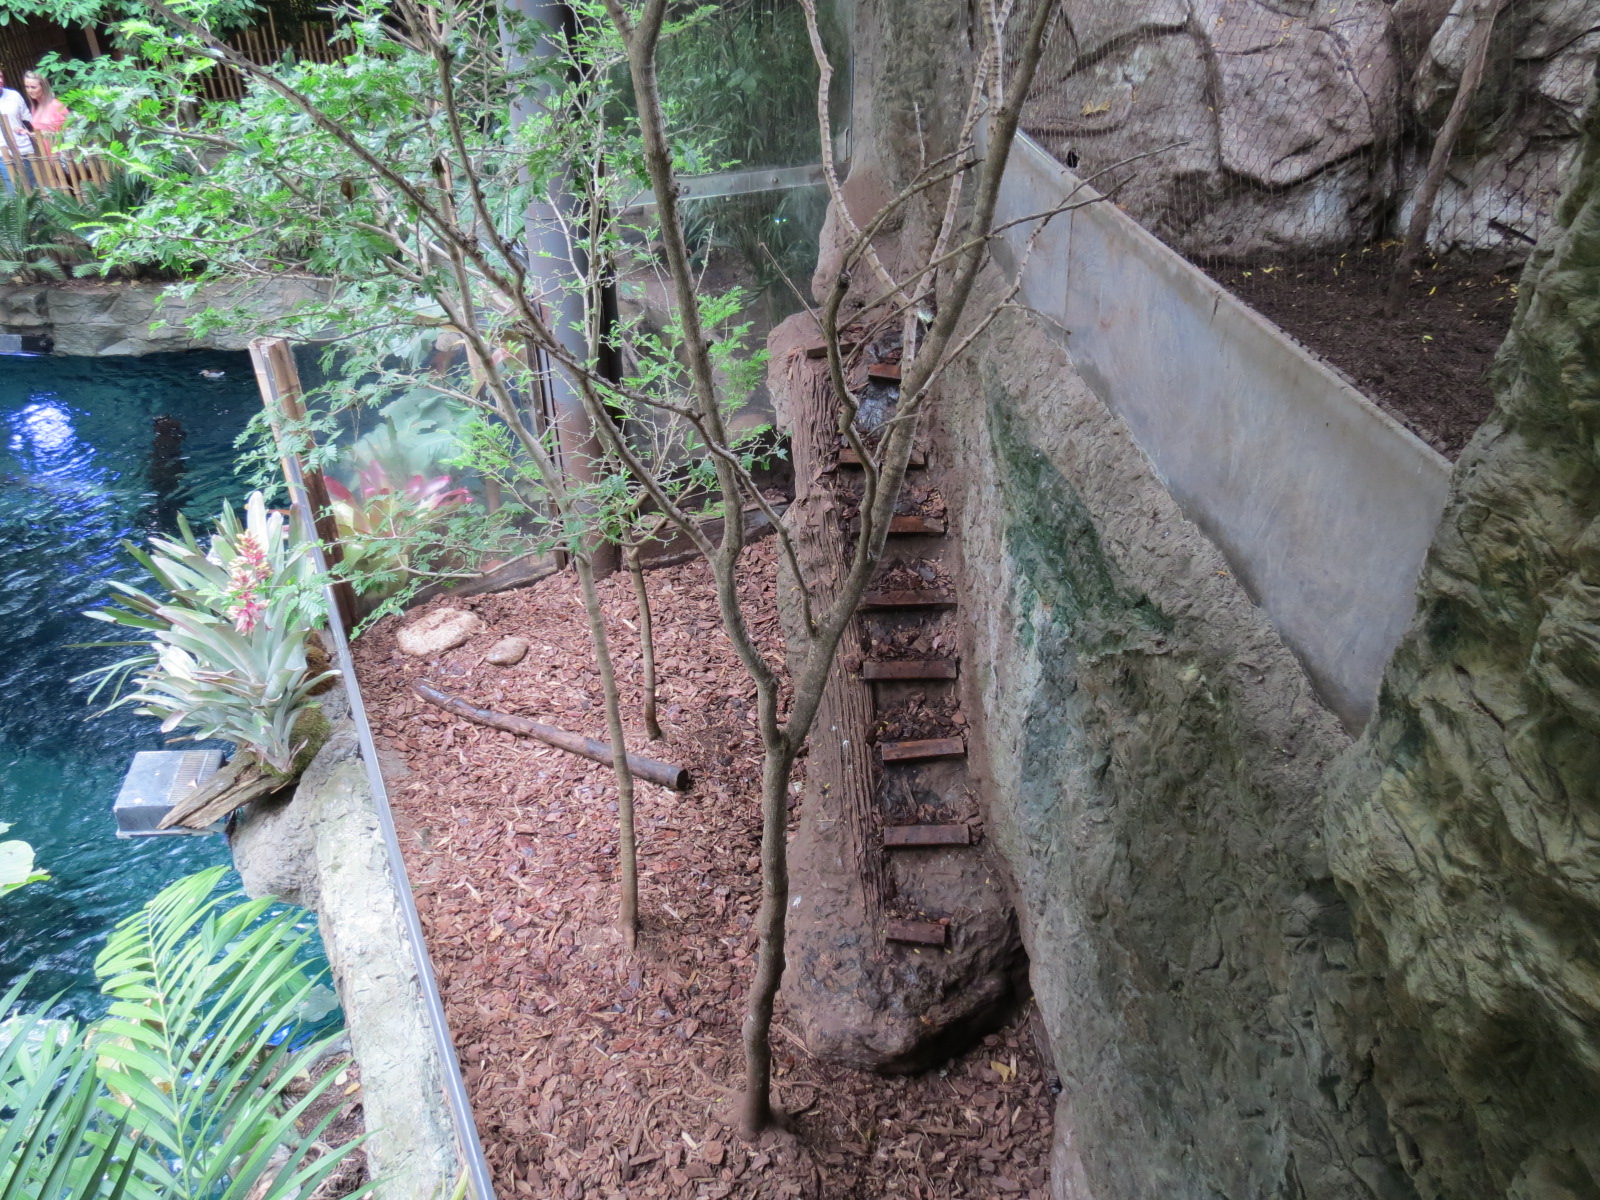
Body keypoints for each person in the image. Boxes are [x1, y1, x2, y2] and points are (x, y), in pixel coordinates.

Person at [0, 67, 34, 195]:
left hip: (23, 150)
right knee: (14, 193)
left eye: (1, 76)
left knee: (32, 189)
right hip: (2, 155)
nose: (0, 80)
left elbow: (27, 119)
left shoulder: (14, 95)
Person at [23, 71, 68, 157]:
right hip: (48, 155)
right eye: (27, 87)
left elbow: (69, 131)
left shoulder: (56, 105)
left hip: (61, 155)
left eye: (33, 87)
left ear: (43, 87)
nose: (30, 90)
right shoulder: (35, 107)